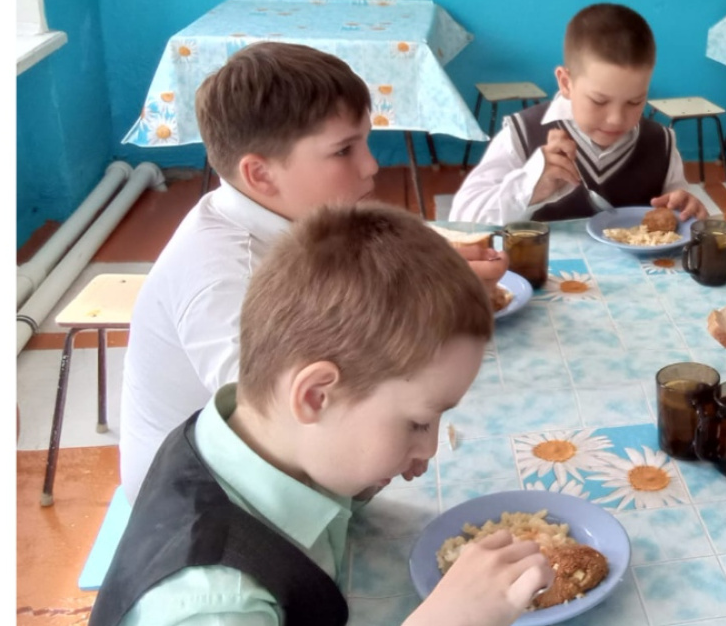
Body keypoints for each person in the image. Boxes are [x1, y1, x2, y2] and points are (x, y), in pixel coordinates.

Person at [91, 204, 554, 626]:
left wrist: (373, 470)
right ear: (315, 397)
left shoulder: (266, 437)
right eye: (417, 422)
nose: (430, 449)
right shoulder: (215, 605)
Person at [119, 42, 507, 504]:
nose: (371, 165)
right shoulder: (226, 274)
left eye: (364, 141)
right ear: (260, 175)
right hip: (200, 502)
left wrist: (436, 286)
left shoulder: (290, 221)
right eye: (344, 150)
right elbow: (273, 424)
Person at [451, 3, 707, 224]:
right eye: (599, 101)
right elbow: (462, 220)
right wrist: (531, 186)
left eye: (634, 102)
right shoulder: (522, 134)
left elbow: (680, 205)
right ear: (566, 83)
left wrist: (687, 208)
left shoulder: (661, 144)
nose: (617, 119)